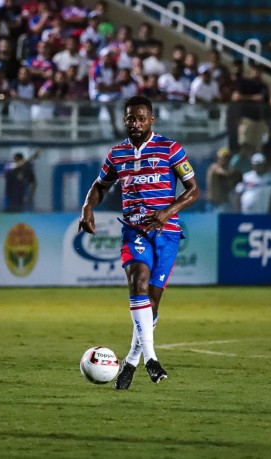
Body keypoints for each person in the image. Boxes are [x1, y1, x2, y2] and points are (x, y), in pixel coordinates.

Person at [78, 96, 199, 390]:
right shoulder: (117, 154)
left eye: (141, 118)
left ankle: (131, 361)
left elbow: (193, 190)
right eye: (130, 118)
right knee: (138, 281)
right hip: (134, 230)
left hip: (167, 233)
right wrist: (87, 207)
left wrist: (167, 211)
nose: (136, 123)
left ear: (151, 120)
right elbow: (100, 186)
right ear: (124, 120)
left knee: (152, 302)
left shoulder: (171, 149)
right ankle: (152, 360)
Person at [205, 146, 236, 212]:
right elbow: (223, 173)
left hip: (224, 203)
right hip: (213, 204)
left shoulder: (228, 169)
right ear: (218, 157)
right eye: (223, 157)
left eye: (227, 157)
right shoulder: (214, 167)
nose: (225, 159)